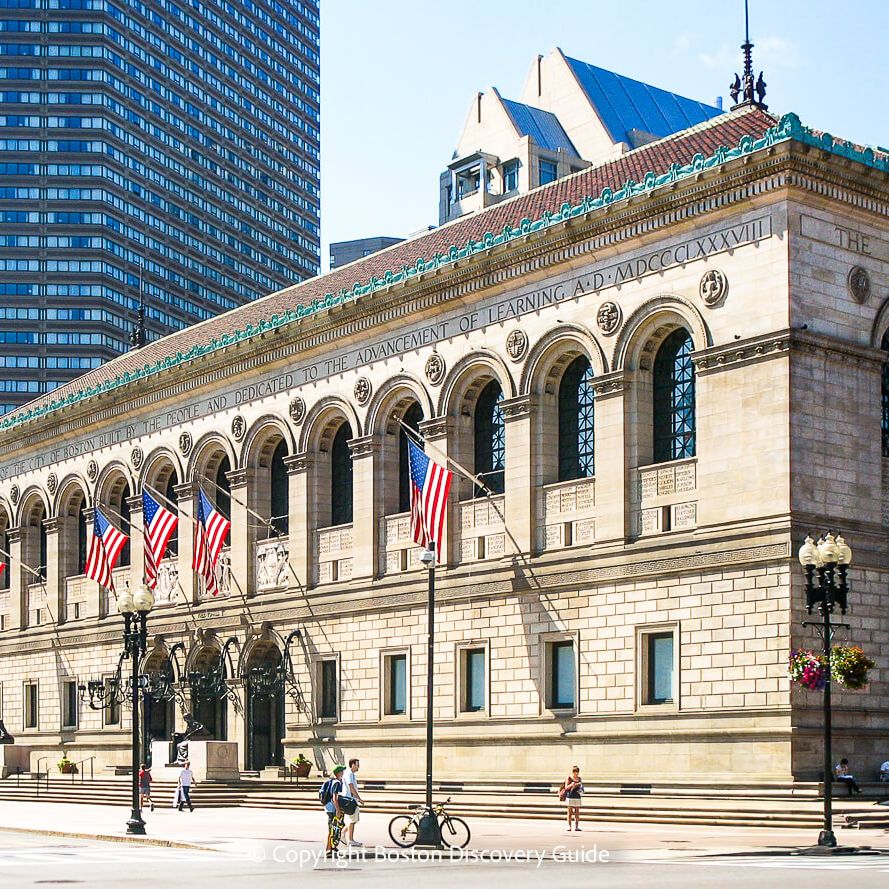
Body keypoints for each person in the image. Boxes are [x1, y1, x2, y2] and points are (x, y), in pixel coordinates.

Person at [322, 764, 346, 856]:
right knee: (332, 828)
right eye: (342, 771)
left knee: (338, 826)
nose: (343, 773)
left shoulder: (334, 781)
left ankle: (333, 846)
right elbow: (335, 798)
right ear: (339, 773)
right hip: (332, 808)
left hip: (329, 807)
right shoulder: (337, 783)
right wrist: (338, 810)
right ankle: (328, 849)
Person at [341, 758, 364, 847]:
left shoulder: (351, 774)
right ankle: (349, 838)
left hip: (351, 800)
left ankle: (345, 835)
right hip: (350, 800)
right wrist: (359, 798)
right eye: (357, 765)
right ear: (353, 765)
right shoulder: (349, 774)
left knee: (353, 819)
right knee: (352, 820)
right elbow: (351, 787)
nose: (359, 767)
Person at [562, 765, 584, 831]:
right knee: (570, 811)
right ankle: (569, 826)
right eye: (575, 772)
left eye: (577, 772)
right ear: (573, 772)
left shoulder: (579, 778)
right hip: (570, 796)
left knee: (577, 812)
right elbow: (566, 787)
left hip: (577, 796)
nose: (576, 773)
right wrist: (572, 784)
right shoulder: (569, 778)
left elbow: (581, 787)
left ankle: (576, 826)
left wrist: (579, 785)